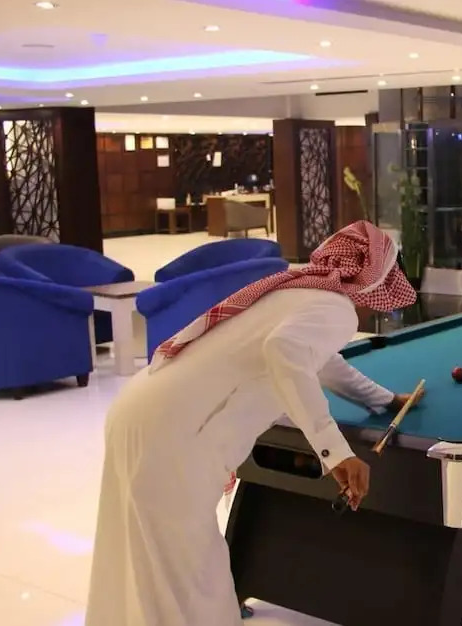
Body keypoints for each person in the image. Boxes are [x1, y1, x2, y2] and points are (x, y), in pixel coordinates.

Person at [85, 221, 418, 626]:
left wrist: (383, 399)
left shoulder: (298, 290)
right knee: (191, 578)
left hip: (139, 410)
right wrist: (335, 453)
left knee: (140, 564)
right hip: (173, 436)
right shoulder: (337, 309)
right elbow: (285, 350)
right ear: (373, 280)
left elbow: (323, 362)